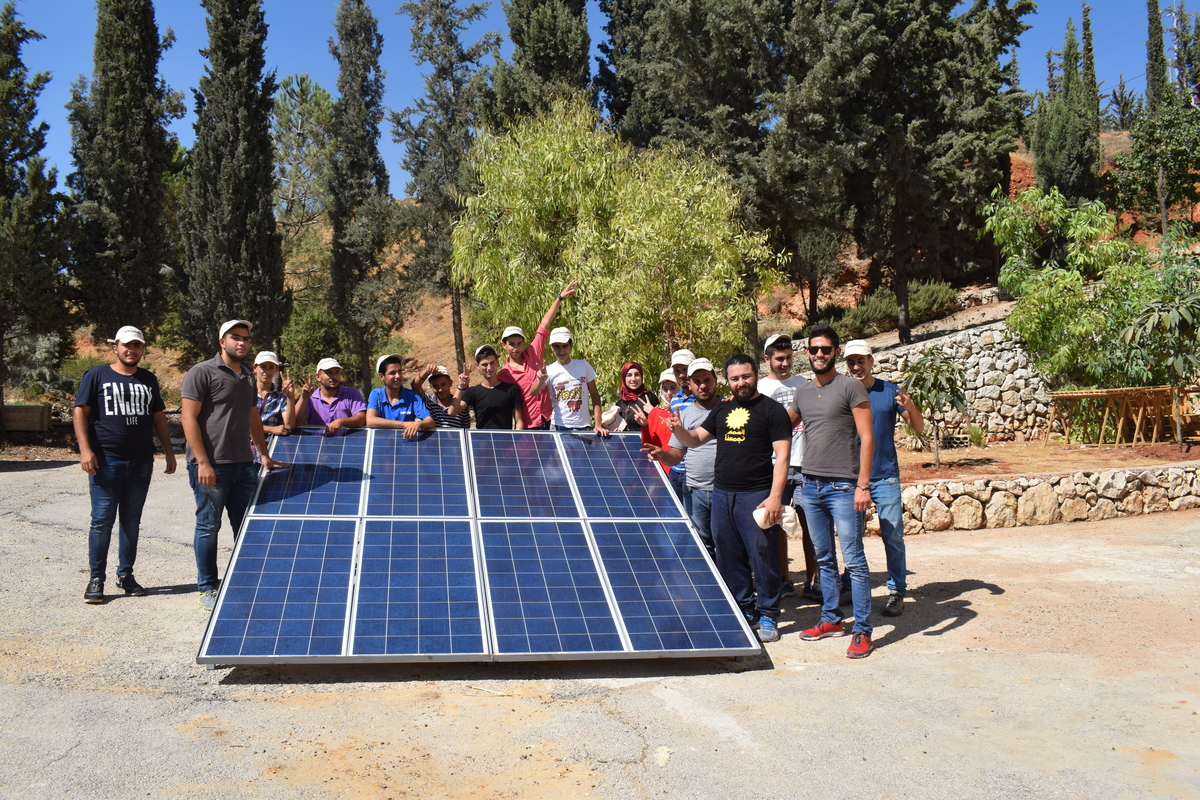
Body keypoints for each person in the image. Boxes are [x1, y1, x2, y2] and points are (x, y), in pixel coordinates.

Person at [668, 354, 792, 643]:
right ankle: (744, 609)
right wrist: (678, 431)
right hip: (722, 494)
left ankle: (769, 615)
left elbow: (783, 456)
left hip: (757, 495)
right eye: (735, 378)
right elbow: (696, 439)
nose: (741, 383)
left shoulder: (773, 411)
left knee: (763, 557)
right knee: (728, 556)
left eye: (745, 376)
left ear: (756, 374)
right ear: (728, 380)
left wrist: (775, 497)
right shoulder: (722, 410)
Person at [182, 319, 285, 610]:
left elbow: (253, 416)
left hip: (245, 464)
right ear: (221, 342)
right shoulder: (201, 372)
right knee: (208, 526)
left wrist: (263, 455)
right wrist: (202, 462)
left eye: (245, 339)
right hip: (212, 465)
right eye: (235, 337)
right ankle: (207, 587)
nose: (241, 343)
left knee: (246, 527)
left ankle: (246, 581)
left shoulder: (248, 377)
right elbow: (189, 418)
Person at [786, 325, 876, 658]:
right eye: (814, 350)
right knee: (824, 559)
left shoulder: (851, 386)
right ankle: (831, 619)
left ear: (835, 352)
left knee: (854, 561)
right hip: (810, 486)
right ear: (807, 353)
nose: (819, 354)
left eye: (825, 349)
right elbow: (780, 422)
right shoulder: (804, 392)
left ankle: (862, 630)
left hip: (843, 487)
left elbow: (867, 437)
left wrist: (862, 485)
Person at [74, 325, 177, 604]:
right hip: (106, 460)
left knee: (131, 521)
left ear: (142, 349)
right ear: (115, 347)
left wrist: (168, 451)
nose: (131, 350)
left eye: (137, 346)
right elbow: (80, 412)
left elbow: (158, 417)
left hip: (141, 460)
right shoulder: (96, 375)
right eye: (126, 345)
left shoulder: (148, 379)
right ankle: (96, 578)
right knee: (102, 521)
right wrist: (85, 450)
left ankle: (125, 575)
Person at [844, 339, 924, 617]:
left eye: (861, 361)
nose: (856, 366)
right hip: (851, 479)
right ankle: (849, 586)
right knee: (851, 536)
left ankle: (897, 590)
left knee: (892, 535)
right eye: (851, 362)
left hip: (885, 476)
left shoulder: (889, 391)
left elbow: (918, 426)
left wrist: (911, 407)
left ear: (871, 361)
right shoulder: (841, 392)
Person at [644, 357, 723, 555]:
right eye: (697, 381)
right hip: (695, 490)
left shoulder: (729, 408)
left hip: (725, 490)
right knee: (702, 544)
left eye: (707, 380)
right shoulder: (685, 415)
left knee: (727, 543)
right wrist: (662, 454)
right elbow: (676, 455)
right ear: (689, 383)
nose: (702, 385)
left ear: (715, 380)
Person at [757, 334, 812, 599]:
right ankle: (783, 579)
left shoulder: (804, 385)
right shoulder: (758, 390)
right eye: (779, 358)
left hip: (806, 464)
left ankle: (814, 580)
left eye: (789, 357)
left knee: (811, 525)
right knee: (775, 524)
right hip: (773, 467)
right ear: (767, 359)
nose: (785, 363)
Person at [498, 281, 577, 429]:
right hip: (529, 424)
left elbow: (544, 325)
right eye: (511, 344)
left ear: (524, 343)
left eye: (519, 343)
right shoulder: (503, 374)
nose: (516, 348)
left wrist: (559, 298)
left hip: (551, 418)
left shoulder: (533, 352)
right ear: (504, 345)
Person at [545, 327, 608, 436]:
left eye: (564, 346)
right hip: (558, 427)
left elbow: (595, 395)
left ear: (571, 346)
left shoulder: (583, 365)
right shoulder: (549, 370)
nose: (561, 351)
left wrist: (598, 424)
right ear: (551, 347)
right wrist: (540, 379)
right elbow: (533, 392)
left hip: (583, 427)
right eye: (557, 347)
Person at [453, 345, 534, 430]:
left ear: (497, 363)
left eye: (492, 363)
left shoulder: (511, 389)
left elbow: (519, 421)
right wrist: (461, 387)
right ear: (477, 366)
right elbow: (453, 411)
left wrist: (516, 440)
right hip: (482, 442)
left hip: (507, 441)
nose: (489, 368)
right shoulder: (473, 392)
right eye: (484, 364)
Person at [365, 354, 435, 439]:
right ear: (381, 376)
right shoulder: (376, 394)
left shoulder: (412, 396)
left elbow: (430, 421)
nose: (398, 376)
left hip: (406, 445)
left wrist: (419, 423)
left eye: (399, 371)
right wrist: (403, 424)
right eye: (392, 373)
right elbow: (370, 420)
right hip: (382, 445)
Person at [295, 357, 367, 435]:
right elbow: (296, 421)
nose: (334, 376)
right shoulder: (310, 399)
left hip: (347, 444)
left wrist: (342, 421)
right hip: (318, 445)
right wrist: (303, 398)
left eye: (337, 372)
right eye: (329, 372)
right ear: (318, 377)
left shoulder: (351, 393)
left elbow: (361, 418)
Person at [666, 349, 696, 500]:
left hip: (694, 473)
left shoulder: (703, 398)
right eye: (677, 371)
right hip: (676, 469)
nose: (682, 375)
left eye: (685, 369)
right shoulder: (675, 400)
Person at [252, 351, 296, 444]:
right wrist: (270, 429)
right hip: (245, 451)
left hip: (270, 450)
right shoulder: (245, 394)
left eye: (271, 367)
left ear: (276, 370)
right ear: (255, 368)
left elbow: (289, 425)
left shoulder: (281, 398)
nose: (267, 372)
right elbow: (239, 424)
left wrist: (290, 398)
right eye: (263, 367)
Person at [412, 364, 470, 429]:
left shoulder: (460, 406)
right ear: (431, 387)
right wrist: (426, 372)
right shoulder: (428, 402)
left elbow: (465, 431)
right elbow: (415, 385)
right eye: (435, 386)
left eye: (443, 384)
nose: (440, 390)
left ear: (450, 383)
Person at [614, 361, 659, 431]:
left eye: (637, 375)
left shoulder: (649, 398)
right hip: (627, 441)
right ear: (624, 378)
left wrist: (646, 423)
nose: (633, 378)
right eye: (629, 375)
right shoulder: (620, 403)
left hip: (646, 441)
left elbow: (659, 424)